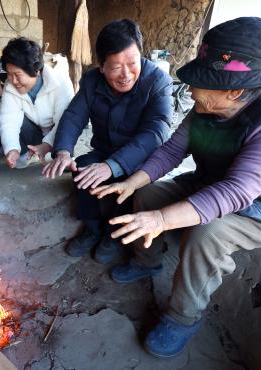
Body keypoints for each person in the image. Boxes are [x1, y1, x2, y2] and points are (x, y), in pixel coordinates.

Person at [91, 17, 261, 358]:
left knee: (207, 232)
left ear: (234, 90)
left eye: (200, 82)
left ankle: (183, 316)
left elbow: (237, 192)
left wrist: (161, 220)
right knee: (148, 194)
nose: (191, 89)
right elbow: (171, 151)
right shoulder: (206, 107)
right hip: (215, 183)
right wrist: (131, 182)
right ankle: (147, 260)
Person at [43, 19, 173, 264]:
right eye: (115, 67)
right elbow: (74, 116)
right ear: (101, 66)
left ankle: (113, 237)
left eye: (132, 63)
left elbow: (156, 132)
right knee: (81, 169)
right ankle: (92, 230)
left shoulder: (158, 82)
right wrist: (62, 151)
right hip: (104, 150)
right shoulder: (92, 82)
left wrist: (113, 166)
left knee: (129, 184)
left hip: (141, 160)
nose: (126, 74)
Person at [0, 37, 74, 168]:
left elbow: (66, 122)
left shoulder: (60, 81)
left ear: (36, 70)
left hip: (58, 132)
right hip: (33, 133)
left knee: (67, 129)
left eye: (17, 74)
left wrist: (48, 145)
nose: (13, 80)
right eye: (9, 74)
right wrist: (12, 149)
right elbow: (8, 119)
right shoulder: (10, 86)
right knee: (9, 122)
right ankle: (29, 153)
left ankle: (61, 154)